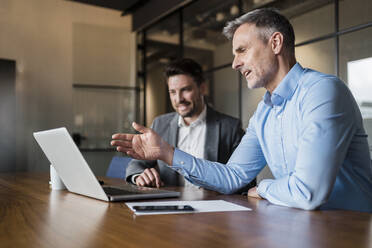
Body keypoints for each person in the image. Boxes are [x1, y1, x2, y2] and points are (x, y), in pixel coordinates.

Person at [111, 9, 372, 212]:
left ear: (276, 43)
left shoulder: (322, 91)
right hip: (303, 225)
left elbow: (308, 192)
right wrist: (167, 153)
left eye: (242, 50)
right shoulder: (265, 111)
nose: (235, 63)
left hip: (349, 229)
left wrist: (264, 188)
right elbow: (232, 177)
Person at [125, 58, 252, 192]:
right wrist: (139, 176)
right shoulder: (160, 124)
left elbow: (245, 180)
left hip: (213, 207)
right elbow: (137, 164)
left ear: (202, 88)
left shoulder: (230, 127)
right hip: (169, 205)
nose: (179, 99)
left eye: (185, 90)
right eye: (172, 92)